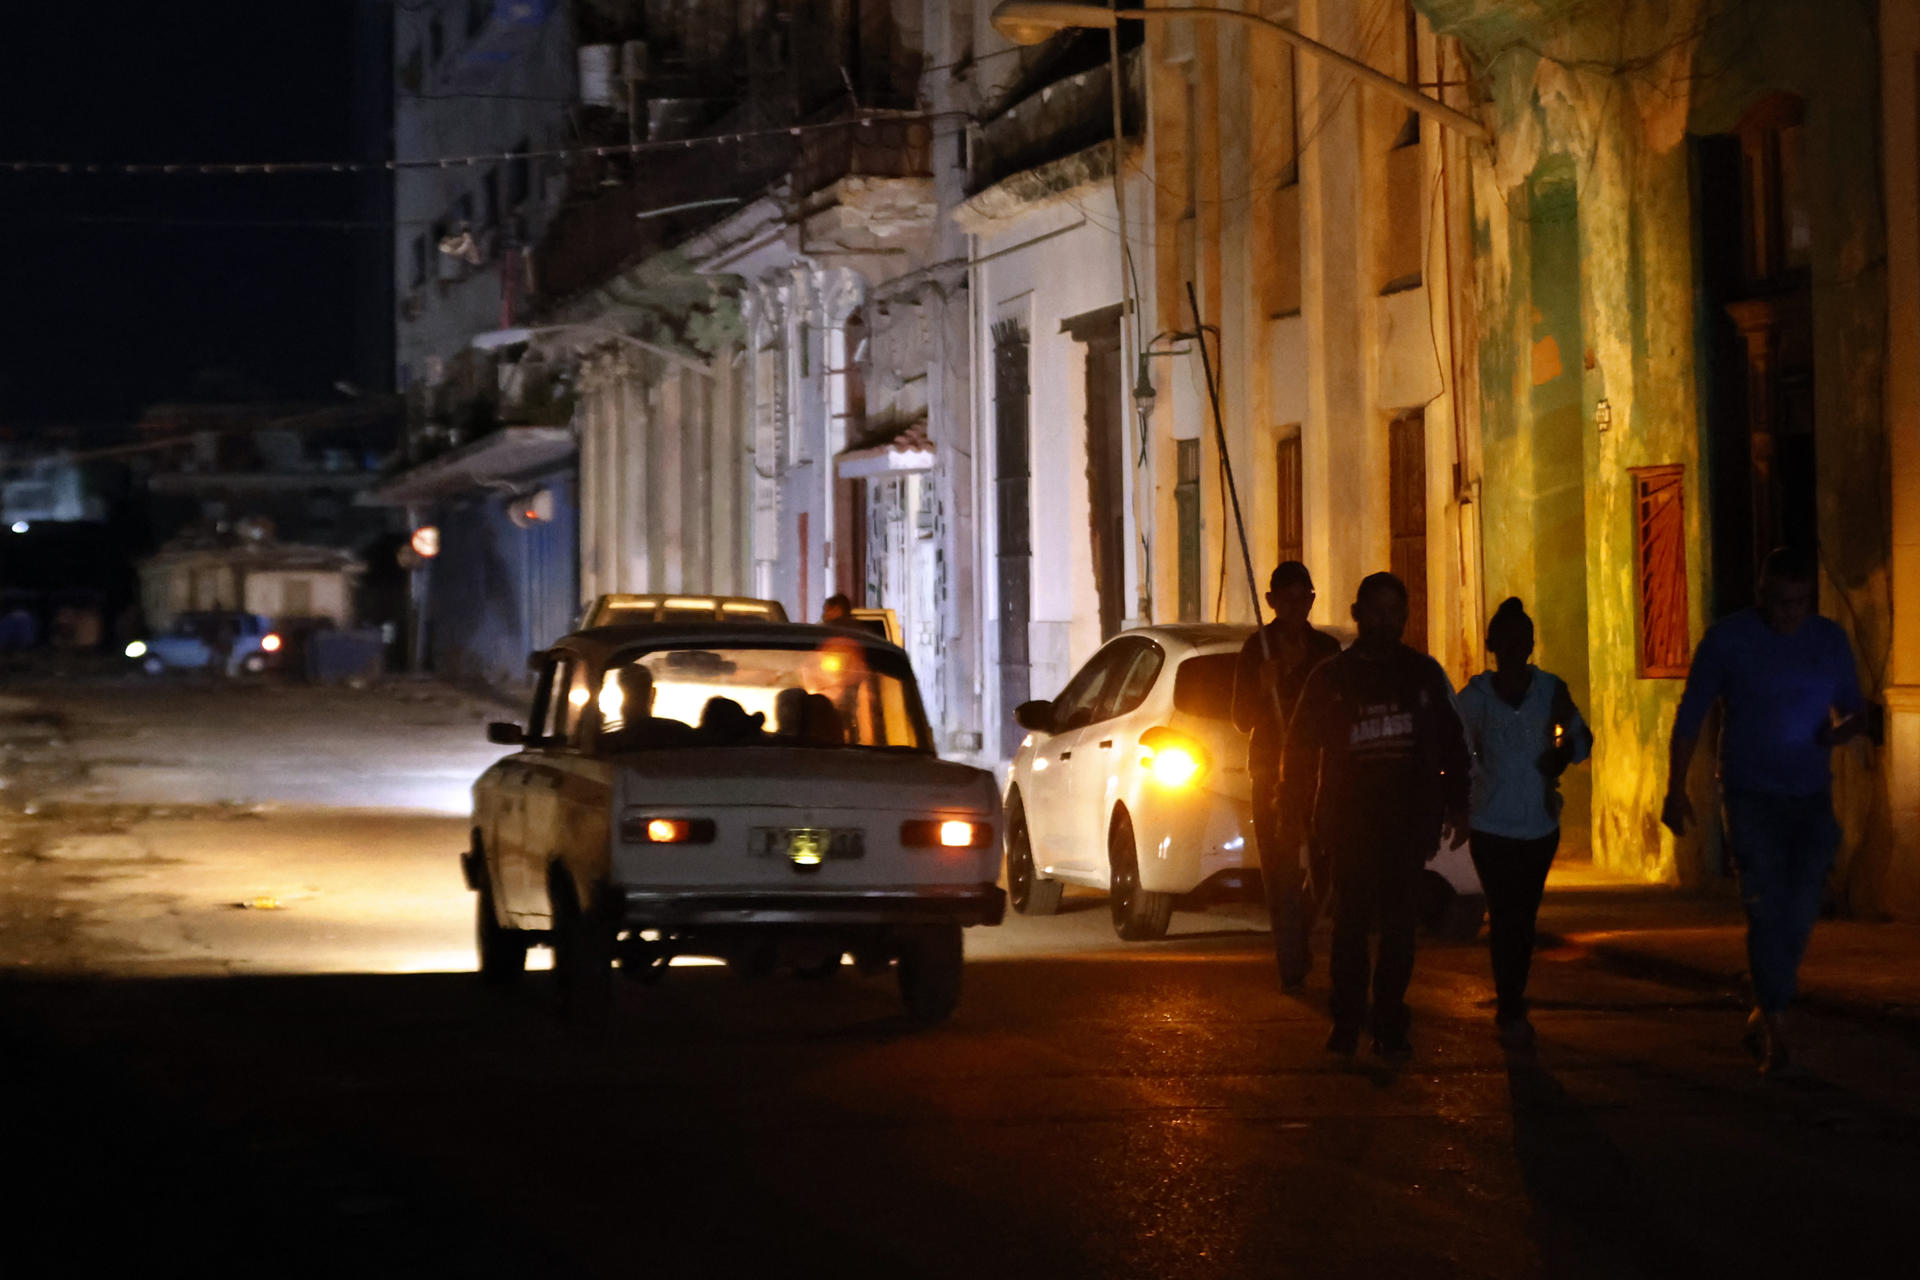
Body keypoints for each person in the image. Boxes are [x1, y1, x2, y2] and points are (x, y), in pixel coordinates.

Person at [1662, 546, 1865, 1075]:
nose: (1788, 615)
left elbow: (1853, 711)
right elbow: (1692, 714)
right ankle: (1776, 1024)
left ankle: (1767, 1003)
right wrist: (1675, 787)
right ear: (1762, 595)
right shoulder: (1729, 640)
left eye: (1798, 604)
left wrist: (1838, 731)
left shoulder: (1829, 641)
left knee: (1799, 907)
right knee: (1764, 902)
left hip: (1810, 795)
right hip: (1751, 793)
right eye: (1779, 603)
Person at [1279, 572, 1470, 1059]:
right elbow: (1299, 747)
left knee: (1400, 930)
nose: (1385, 621)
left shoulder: (1423, 676)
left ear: (1405, 620)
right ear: (1356, 614)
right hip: (1349, 824)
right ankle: (1346, 1020)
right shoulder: (1332, 677)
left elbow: (1452, 742)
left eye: (1394, 613)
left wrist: (1458, 803)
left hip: (1408, 824)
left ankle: (1388, 1019)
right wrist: (1292, 805)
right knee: (1351, 926)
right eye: (1376, 611)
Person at [1455, 597, 1592, 1048]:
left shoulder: (1550, 690)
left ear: (1531, 645)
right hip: (1490, 826)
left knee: (1523, 917)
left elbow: (1581, 736)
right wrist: (1455, 802)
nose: (1514, 648)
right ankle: (1510, 999)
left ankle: (1513, 994)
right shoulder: (1474, 698)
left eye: (1522, 640)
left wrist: (1564, 753)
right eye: (1506, 640)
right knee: (1505, 913)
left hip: (1538, 828)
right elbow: (1453, 749)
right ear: (1492, 644)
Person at [1230, 561, 1342, 987]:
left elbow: (1339, 711)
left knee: (1327, 866)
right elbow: (1241, 718)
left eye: (1304, 599)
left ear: (1312, 600)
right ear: (1271, 602)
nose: (1296, 608)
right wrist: (1263, 686)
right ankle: (1291, 961)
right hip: (1270, 770)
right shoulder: (1256, 651)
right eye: (1287, 600)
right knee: (1279, 870)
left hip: (1318, 773)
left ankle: (1302, 928)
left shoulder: (1327, 652)